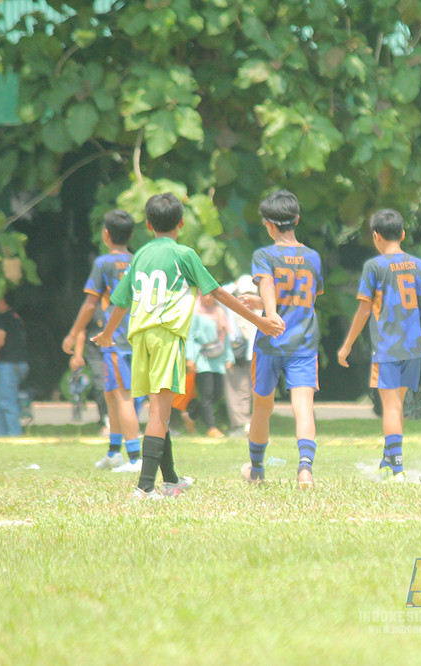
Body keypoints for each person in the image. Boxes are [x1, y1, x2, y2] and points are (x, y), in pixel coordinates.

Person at [93, 192, 284, 500]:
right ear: (181, 223)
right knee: (159, 413)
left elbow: (119, 300)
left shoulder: (140, 254)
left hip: (140, 336)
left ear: (148, 224)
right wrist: (259, 321)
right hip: (166, 335)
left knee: (159, 410)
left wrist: (107, 334)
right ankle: (144, 488)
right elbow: (218, 293)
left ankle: (171, 481)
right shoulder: (184, 254)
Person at [337, 208, 421, 481]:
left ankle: (396, 467)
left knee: (391, 407)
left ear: (376, 236)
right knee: (397, 404)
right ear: (403, 234)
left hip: (386, 348)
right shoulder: (418, 265)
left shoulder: (374, 267)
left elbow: (363, 310)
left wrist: (347, 345)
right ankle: (389, 457)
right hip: (413, 348)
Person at [240, 189, 323, 490]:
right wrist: (264, 303)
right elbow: (304, 300)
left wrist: (268, 310)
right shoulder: (313, 257)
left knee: (262, 407)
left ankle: (257, 469)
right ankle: (305, 471)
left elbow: (270, 286)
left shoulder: (264, 255)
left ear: (268, 224)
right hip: (303, 342)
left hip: (269, 343)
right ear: (296, 220)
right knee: (303, 406)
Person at [61, 209, 142, 472]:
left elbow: (90, 303)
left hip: (116, 339)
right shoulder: (139, 260)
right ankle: (113, 452)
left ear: (106, 235)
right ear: (130, 235)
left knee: (123, 397)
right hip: (138, 336)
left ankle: (135, 458)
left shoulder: (103, 263)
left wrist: (73, 333)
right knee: (111, 393)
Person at [185, 291, 233, 438]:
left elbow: (225, 335)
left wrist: (229, 357)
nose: (209, 298)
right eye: (206, 295)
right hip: (202, 359)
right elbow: (190, 338)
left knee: (218, 394)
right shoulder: (196, 314)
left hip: (218, 359)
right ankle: (211, 427)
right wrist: (190, 358)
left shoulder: (220, 312)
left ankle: (191, 416)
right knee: (206, 394)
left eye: (212, 295)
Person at [0, 293, 29, 437]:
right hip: (20, 364)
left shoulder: (2, 318)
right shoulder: (16, 318)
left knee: (7, 402)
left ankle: (15, 435)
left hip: (10, 364)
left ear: (3, 301)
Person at [222, 275, 257, 435]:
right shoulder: (231, 306)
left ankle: (254, 424)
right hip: (233, 352)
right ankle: (240, 424)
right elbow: (219, 293)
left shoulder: (261, 309)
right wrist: (235, 284)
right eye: (243, 293)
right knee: (236, 389)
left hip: (254, 354)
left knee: (253, 390)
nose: (247, 298)